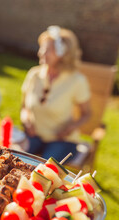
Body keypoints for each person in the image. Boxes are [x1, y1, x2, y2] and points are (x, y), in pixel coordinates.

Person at [21, 26, 91, 160]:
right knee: (11, 158)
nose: (41, 53)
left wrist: (71, 127)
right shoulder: (34, 74)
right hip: (34, 136)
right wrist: (26, 120)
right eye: (42, 48)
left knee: (44, 170)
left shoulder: (77, 81)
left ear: (63, 54)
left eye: (48, 50)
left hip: (62, 141)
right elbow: (24, 107)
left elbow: (86, 114)